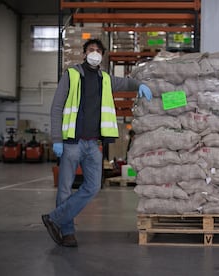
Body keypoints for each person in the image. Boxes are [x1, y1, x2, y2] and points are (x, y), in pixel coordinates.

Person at [42, 38, 152, 247]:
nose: (94, 53)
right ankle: (67, 232)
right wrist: (57, 139)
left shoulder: (105, 78)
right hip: (72, 143)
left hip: (93, 145)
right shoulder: (72, 75)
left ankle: (54, 218)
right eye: (91, 50)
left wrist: (140, 85)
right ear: (84, 54)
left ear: (102, 56)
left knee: (92, 186)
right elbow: (56, 107)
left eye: (98, 51)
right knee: (65, 188)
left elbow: (126, 82)